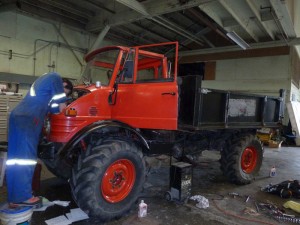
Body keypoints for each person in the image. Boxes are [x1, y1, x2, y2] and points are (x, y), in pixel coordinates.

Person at [5, 72, 72, 208]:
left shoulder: (46, 84)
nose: (63, 95)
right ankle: (23, 197)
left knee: (14, 160)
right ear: (63, 85)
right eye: (64, 92)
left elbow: (54, 111)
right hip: (29, 119)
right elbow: (62, 108)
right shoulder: (56, 78)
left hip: (18, 115)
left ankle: (14, 196)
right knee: (25, 160)